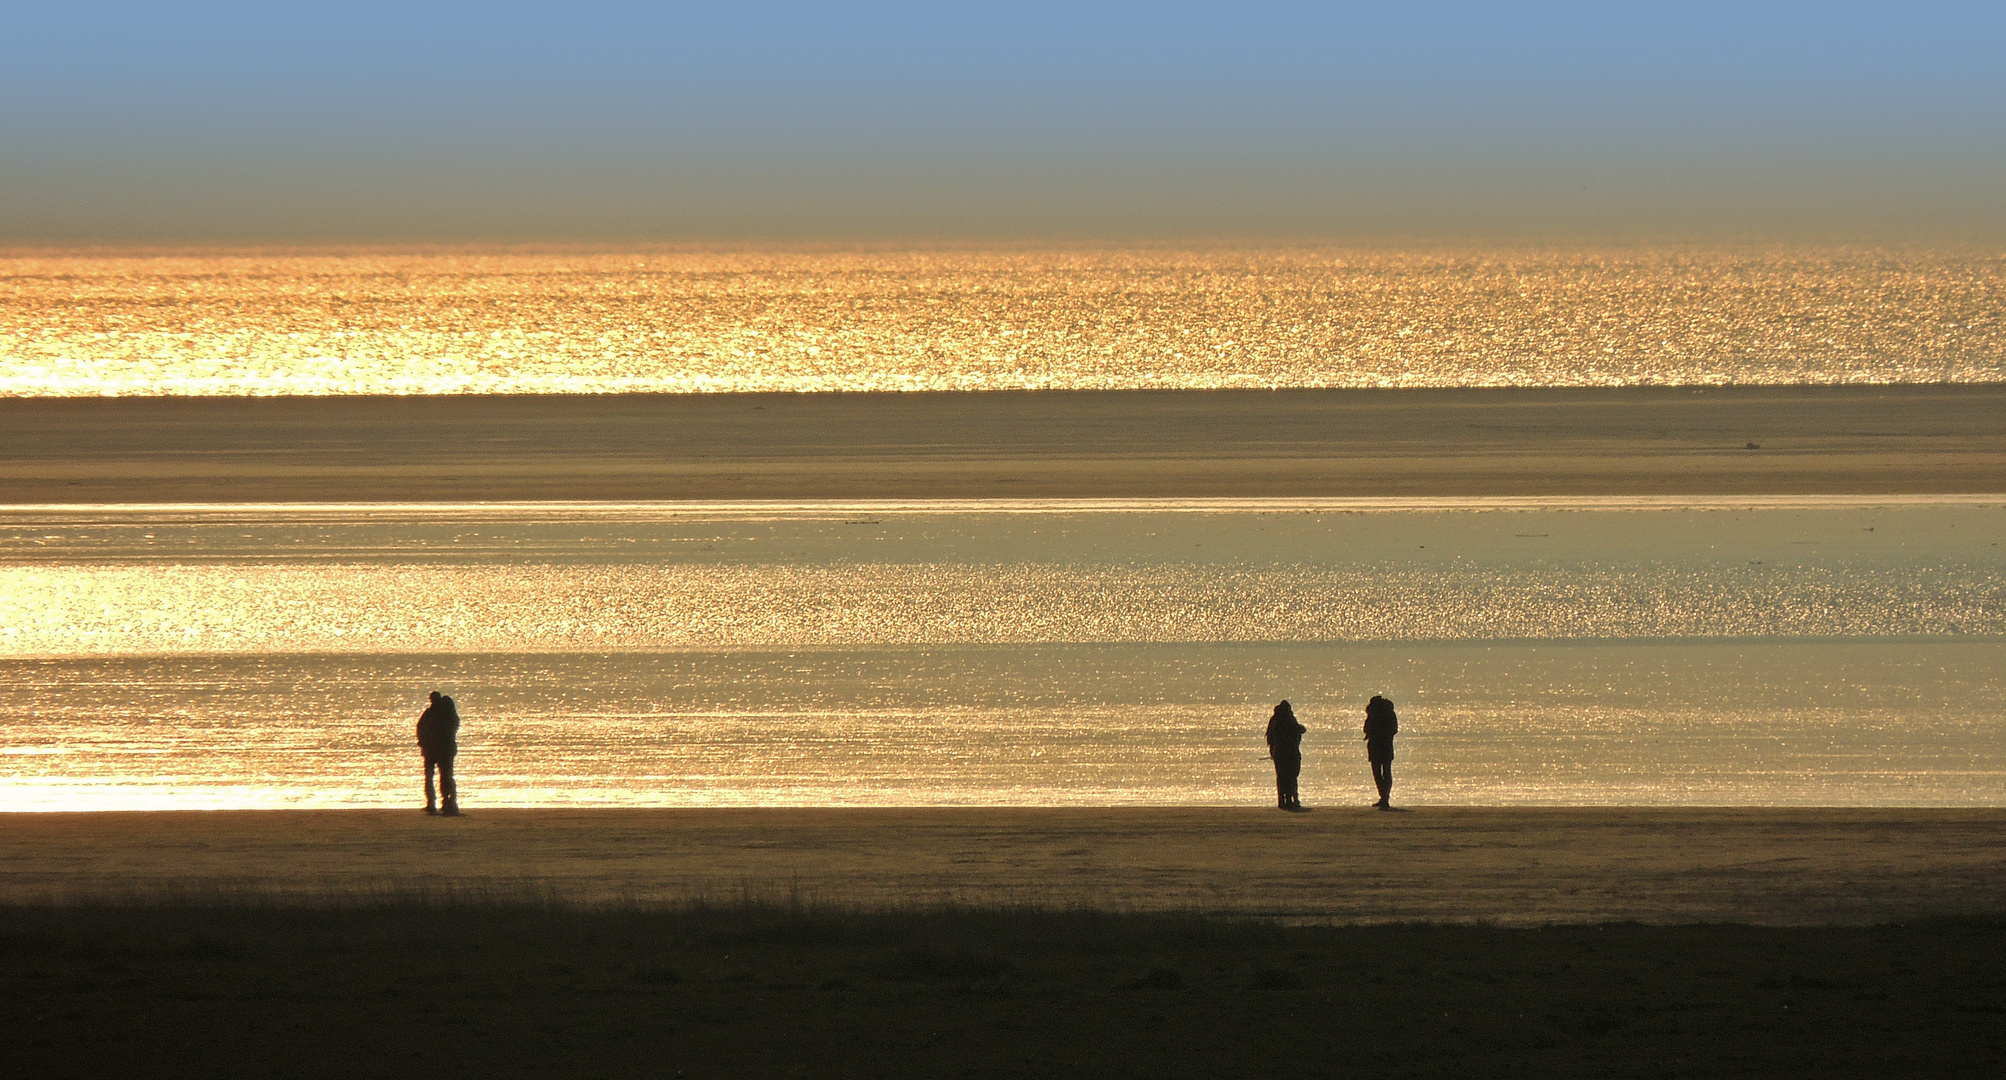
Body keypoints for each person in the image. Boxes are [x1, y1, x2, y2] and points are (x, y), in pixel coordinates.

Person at [416, 690, 461, 816]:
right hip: (440, 749)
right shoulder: (448, 715)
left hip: (436, 749)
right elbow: (421, 729)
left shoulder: (433, 714)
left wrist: (423, 742)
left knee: (438, 776)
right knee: (445, 775)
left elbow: (420, 728)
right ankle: (446, 802)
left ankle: (442, 802)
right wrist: (423, 742)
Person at [1265, 700, 1306, 810]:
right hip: (1288, 752)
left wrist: (1273, 752)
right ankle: (1290, 799)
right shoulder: (1284, 721)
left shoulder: (1275, 721)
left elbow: (1270, 739)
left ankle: (1285, 799)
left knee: (1284, 776)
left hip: (1280, 752)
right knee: (1290, 776)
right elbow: (1300, 729)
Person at [1363, 695, 1398, 809]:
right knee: (1386, 771)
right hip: (1387, 745)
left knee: (1377, 772)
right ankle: (1385, 797)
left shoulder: (1373, 714)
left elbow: (1366, 729)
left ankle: (1384, 796)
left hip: (1375, 746)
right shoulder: (1390, 713)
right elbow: (1394, 730)